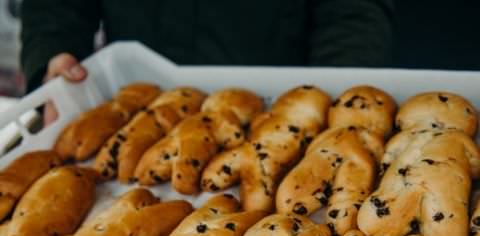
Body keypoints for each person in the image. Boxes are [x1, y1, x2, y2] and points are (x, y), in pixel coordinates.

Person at [21, 0, 394, 121]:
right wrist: (53, 53)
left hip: (282, 103)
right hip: (135, 101)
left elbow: (353, 11)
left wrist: (338, 96)